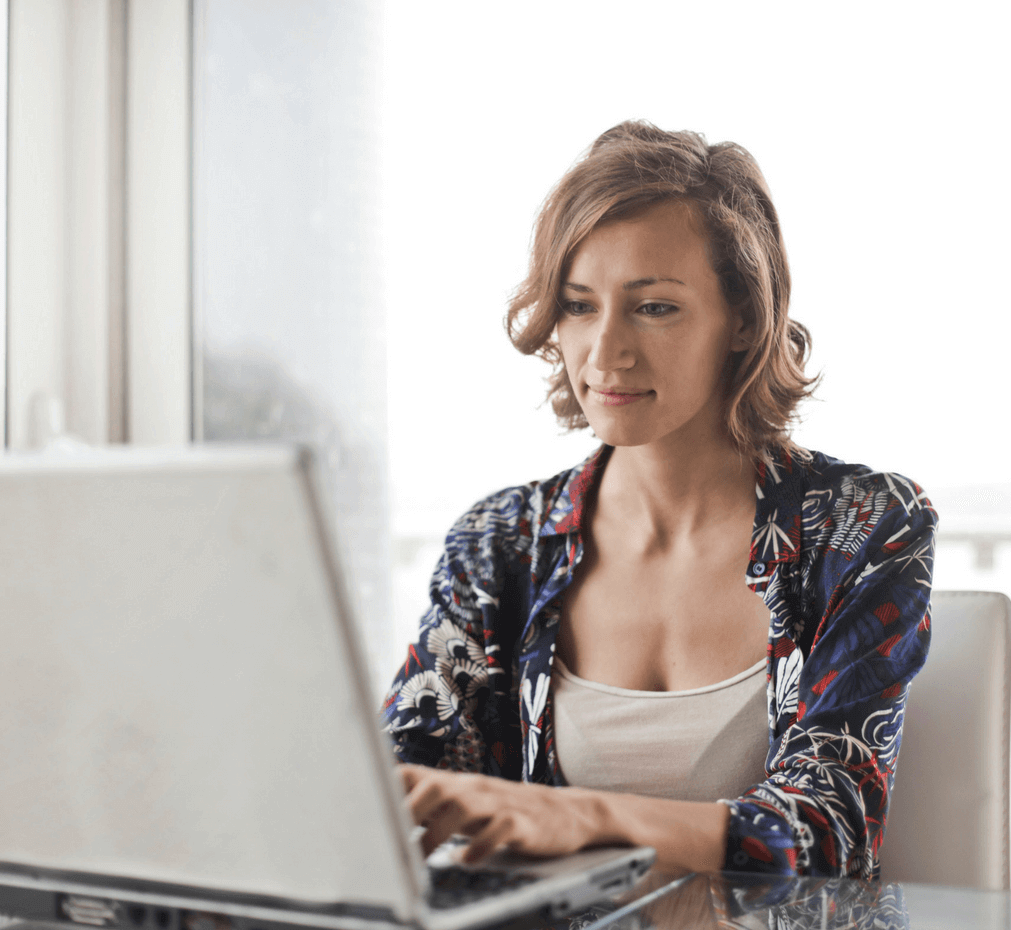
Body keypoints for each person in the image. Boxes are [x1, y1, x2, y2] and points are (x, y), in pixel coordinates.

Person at [380, 121, 936, 879]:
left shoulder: (862, 527)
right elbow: (397, 789)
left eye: (655, 308)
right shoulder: (502, 542)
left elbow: (831, 831)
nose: (605, 352)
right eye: (578, 306)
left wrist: (583, 816)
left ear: (743, 319)